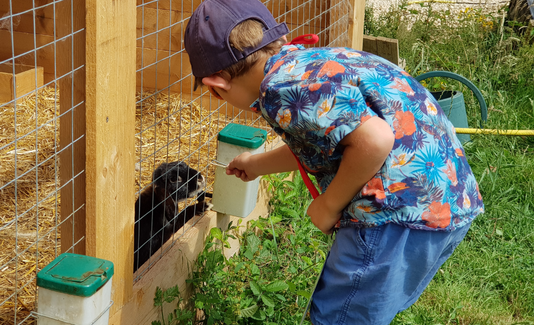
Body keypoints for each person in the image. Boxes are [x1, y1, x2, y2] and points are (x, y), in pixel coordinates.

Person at [183, 0, 485, 324]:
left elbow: (374, 140)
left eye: (214, 94)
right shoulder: (309, 63)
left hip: (391, 213)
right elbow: (338, 138)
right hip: (446, 198)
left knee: (339, 315)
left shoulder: (277, 89)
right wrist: (256, 164)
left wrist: (329, 204)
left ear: (218, 84)